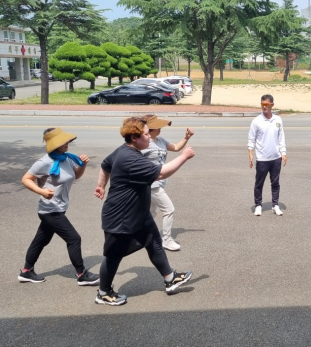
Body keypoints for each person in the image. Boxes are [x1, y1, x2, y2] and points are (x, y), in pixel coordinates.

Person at [93, 117, 194, 306]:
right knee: (113, 255)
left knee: (154, 242)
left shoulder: (126, 150)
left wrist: (101, 185)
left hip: (139, 214)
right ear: (134, 137)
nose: (149, 137)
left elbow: (105, 165)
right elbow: (161, 173)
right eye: (146, 134)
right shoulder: (129, 158)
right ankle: (103, 293)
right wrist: (183, 156)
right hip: (120, 217)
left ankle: (170, 278)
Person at [19, 128, 99, 286]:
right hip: (50, 210)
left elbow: (75, 175)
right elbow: (26, 179)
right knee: (74, 238)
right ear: (54, 144)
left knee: (41, 240)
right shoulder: (44, 161)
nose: (67, 143)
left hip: (58, 208)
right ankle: (81, 274)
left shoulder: (66, 158)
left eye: (67, 140)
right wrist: (41, 191)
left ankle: (26, 271)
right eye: (63, 141)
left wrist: (83, 165)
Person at [140, 115, 195, 251]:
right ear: (150, 129)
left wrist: (186, 137)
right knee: (168, 209)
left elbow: (176, 147)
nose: (160, 129)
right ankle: (166, 240)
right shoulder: (143, 144)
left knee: (152, 211)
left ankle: (142, 235)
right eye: (158, 127)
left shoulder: (160, 140)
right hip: (151, 184)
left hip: (159, 181)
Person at [248, 94, 287, 216]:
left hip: (276, 158)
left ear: (272, 105)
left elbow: (281, 138)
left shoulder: (278, 120)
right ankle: (258, 205)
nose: (264, 107)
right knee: (259, 183)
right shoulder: (256, 121)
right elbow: (251, 138)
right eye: (262, 104)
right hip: (262, 158)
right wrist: (250, 153)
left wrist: (283, 153)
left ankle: (275, 205)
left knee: (275, 183)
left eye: (266, 104)